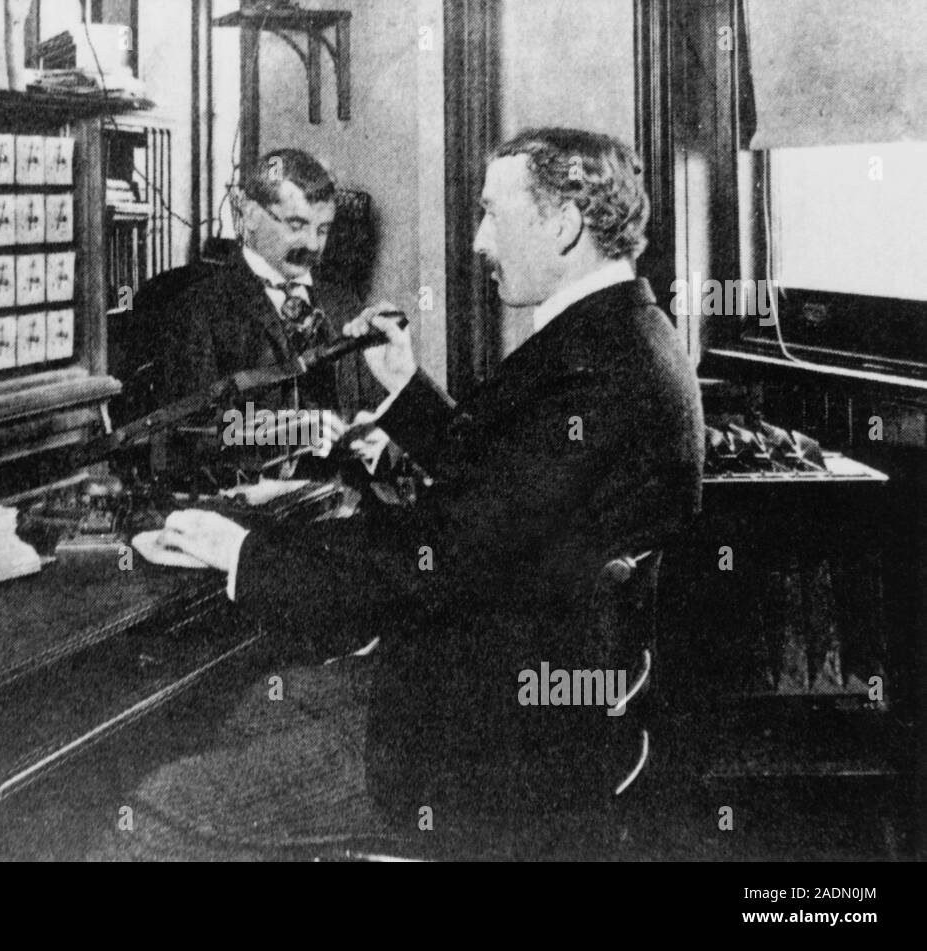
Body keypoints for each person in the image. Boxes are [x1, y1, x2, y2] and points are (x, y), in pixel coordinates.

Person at [105, 128, 705, 858]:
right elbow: (505, 493)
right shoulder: (626, 338)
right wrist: (407, 393)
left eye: (492, 214)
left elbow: (437, 555)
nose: (479, 240)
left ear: (563, 223)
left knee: (151, 804)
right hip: (509, 700)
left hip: (474, 749)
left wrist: (245, 553)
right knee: (242, 713)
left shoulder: (594, 373)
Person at [119, 148, 386, 485]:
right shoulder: (197, 309)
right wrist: (287, 432)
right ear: (251, 214)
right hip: (252, 514)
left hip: (344, 506)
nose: (313, 245)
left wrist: (379, 434)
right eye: (296, 225)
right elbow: (184, 437)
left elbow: (375, 407)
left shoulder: (344, 304)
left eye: (323, 229)